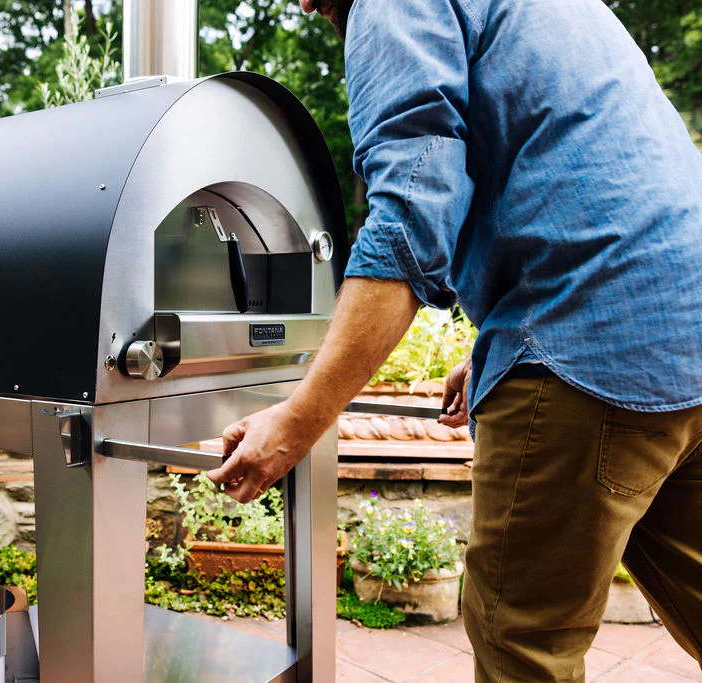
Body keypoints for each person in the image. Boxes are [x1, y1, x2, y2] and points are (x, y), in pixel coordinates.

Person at [206, 0, 702, 680]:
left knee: (522, 643)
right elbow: (583, 161)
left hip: (585, 344)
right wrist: (495, 337)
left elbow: (411, 221)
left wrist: (298, 421)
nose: (301, 4)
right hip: (688, 326)